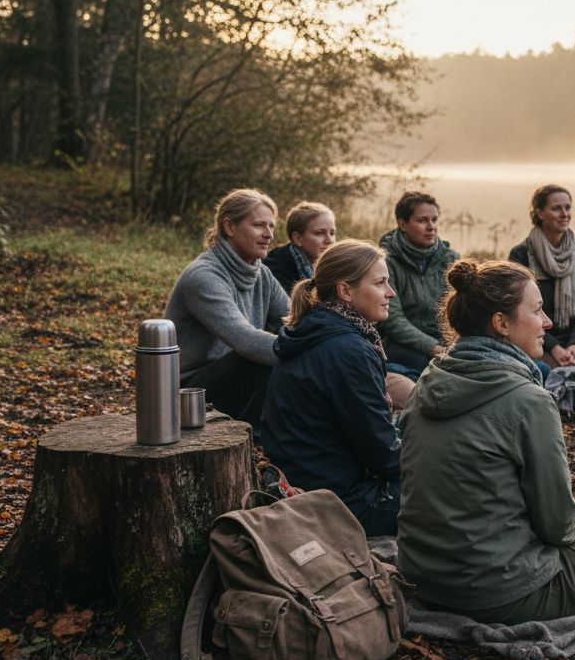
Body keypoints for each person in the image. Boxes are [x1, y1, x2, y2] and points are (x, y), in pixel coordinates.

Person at [397, 260, 575, 623]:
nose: (548, 322)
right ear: (501, 324)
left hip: (423, 581)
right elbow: (558, 527)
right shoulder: (528, 399)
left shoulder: (425, 383)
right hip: (502, 595)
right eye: (537, 310)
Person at [260, 240, 404, 536]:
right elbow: (382, 455)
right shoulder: (347, 349)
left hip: (310, 481)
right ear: (345, 291)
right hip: (338, 502)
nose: (391, 292)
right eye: (380, 283)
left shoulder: (317, 328)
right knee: (453, 492)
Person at [164, 188, 288, 424]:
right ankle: (271, 440)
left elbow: (295, 317)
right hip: (188, 395)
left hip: (231, 381)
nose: (269, 234)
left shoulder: (262, 274)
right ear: (230, 227)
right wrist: (308, 350)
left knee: (279, 351)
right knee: (259, 357)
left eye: (271, 226)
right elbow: (245, 341)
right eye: (259, 225)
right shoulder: (203, 276)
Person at [509, 184, 575, 369]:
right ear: (540, 213)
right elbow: (519, 312)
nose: (565, 214)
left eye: (568, 207)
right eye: (556, 208)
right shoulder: (521, 255)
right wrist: (554, 347)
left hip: (573, 337)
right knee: (549, 374)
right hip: (533, 336)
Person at [376, 191, 459, 378]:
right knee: (433, 374)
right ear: (403, 224)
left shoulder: (450, 258)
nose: (431, 227)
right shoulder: (386, 260)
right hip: (401, 345)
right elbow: (392, 319)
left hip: (446, 342)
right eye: (422, 221)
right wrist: (432, 347)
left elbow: (462, 308)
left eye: (435, 220)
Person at [264, 201, 336, 295]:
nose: (329, 240)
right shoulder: (274, 270)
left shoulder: (334, 268)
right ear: (298, 239)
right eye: (319, 233)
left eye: (332, 233)